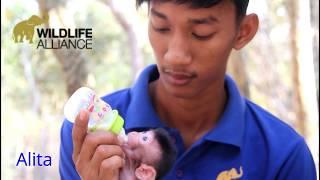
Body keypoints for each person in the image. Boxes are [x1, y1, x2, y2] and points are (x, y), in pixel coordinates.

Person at [59, 0, 317, 179]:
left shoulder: (283, 157)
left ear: (243, 31)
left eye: (201, 32)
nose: (175, 56)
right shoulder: (88, 137)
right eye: (161, 27)